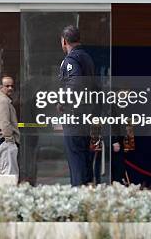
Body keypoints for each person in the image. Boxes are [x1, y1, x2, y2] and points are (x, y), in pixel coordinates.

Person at [59, 25, 96, 186]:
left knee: (76, 159)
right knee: (83, 157)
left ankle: (78, 195)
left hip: (74, 117)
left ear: (64, 41)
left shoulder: (71, 60)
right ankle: (86, 192)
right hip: (86, 115)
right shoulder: (87, 58)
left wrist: (62, 101)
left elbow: (75, 83)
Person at [0, 76, 20, 176]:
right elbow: (4, 122)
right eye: (7, 86)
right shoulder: (2, 101)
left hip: (3, 140)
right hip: (5, 140)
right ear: (1, 86)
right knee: (9, 173)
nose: (10, 88)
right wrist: (10, 140)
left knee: (5, 170)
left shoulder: (2, 99)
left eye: (12, 86)